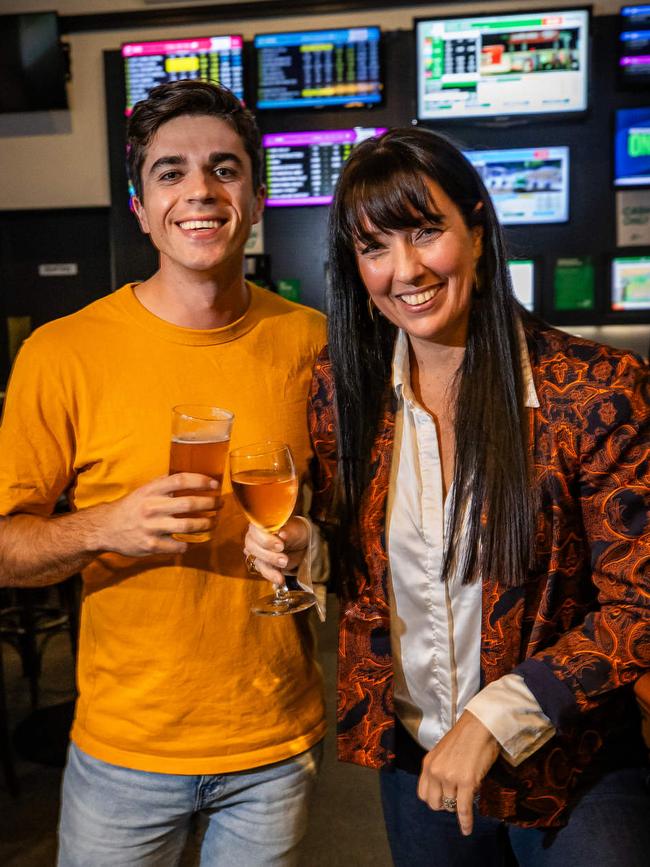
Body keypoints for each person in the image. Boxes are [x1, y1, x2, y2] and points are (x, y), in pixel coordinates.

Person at [246, 127, 650, 867]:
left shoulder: (596, 391)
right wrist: (308, 544)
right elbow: (357, 549)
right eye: (374, 248)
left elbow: (639, 603)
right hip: (419, 761)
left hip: (574, 765)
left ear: (477, 231)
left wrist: (495, 718)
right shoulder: (344, 391)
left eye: (425, 231)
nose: (405, 269)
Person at [0, 80, 327, 866]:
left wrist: (311, 540)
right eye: (170, 172)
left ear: (255, 197)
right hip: (125, 748)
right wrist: (107, 526)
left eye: (224, 168)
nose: (200, 191)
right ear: (142, 208)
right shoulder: (62, 351)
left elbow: (358, 518)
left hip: (273, 741)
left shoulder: (314, 342)